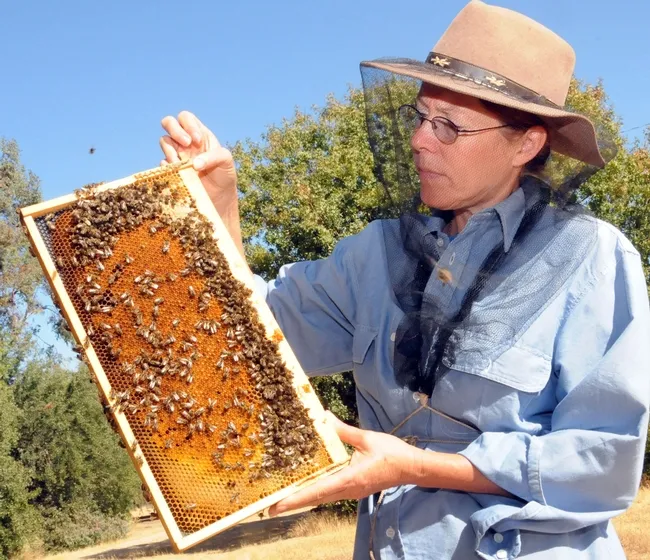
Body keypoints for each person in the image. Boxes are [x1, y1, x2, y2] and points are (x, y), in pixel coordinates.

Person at [159, 1, 650, 558]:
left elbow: (603, 464)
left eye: (449, 126)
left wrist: (415, 466)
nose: (420, 140)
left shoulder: (592, 258)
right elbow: (252, 342)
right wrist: (220, 209)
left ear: (526, 144)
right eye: (421, 117)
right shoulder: (374, 253)